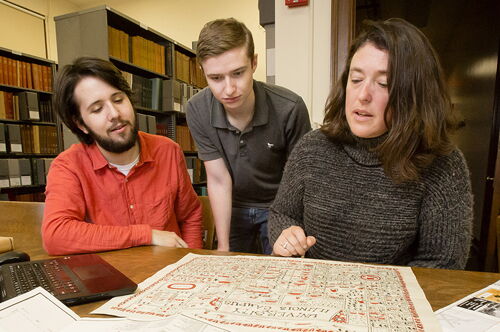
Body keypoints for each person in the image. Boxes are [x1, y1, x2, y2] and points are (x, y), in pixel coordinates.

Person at [268, 18, 473, 269]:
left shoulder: (443, 164)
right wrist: (287, 236)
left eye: (383, 83)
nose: (363, 95)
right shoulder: (312, 147)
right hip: (311, 295)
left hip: (389, 302)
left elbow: (443, 262)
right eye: (356, 79)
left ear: (414, 94)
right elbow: (282, 214)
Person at [42, 57, 202, 255]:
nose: (115, 114)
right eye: (97, 109)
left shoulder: (168, 150)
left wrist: (193, 261)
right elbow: (56, 235)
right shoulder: (68, 166)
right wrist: (147, 235)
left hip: (170, 277)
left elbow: (190, 215)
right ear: (81, 125)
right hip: (111, 279)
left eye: (118, 100)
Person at [186, 18, 311, 254]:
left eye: (237, 73)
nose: (229, 89)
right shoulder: (196, 108)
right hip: (232, 206)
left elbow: (301, 182)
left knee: (283, 275)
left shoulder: (290, 107)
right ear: (202, 72)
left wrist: (288, 229)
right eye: (216, 78)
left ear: (253, 63)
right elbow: (219, 179)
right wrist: (223, 247)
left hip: (279, 206)